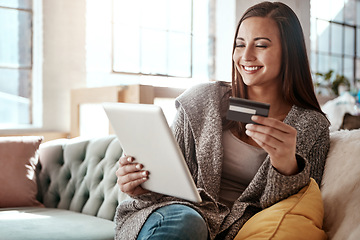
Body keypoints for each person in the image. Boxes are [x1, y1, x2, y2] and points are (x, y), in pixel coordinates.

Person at [114, 2, 330, 240]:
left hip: (233, 231)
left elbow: (294, 211)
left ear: (290, 52)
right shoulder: (202, 100)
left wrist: (287, 168)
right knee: (187, 222)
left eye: (260, 45)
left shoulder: (311, 126)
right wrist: (139, 185)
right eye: (240, 45)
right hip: (174, 216)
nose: (246, 56)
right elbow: (169, 183)